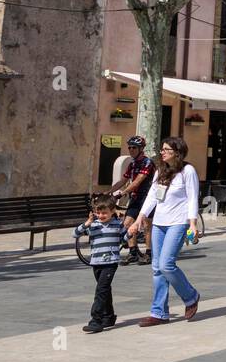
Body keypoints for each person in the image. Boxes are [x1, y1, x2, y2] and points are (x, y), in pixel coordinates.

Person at [126, 137, 202, 326]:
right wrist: (139, 219)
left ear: (177, 152)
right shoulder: (161, 170)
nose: (162, 152)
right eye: (162, 149)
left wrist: (192, 224)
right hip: (159, 223)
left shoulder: (187, 171)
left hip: (178, 222)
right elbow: (152, 196)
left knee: (166, 265)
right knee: (156, 268)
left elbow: (193, 198)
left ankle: (191, 296)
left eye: (166, 149)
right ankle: (159, 313)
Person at [74, 194, 128, 333]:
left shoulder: (117, 224)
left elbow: (125, 238)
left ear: (112, 211)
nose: (101, 215)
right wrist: (87, 223)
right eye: (98, 212)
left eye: (104, 213)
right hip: (96, 262)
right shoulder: (93, 225)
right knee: (105, 289)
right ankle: (109, 316)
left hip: (110, 262)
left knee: (101, 290)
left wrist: (132, 231)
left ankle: (96, 320)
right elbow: (75, 234)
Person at [111, 135, 153, 264]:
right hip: (135, 198)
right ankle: (133, 252)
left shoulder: (147, 163)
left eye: (134, 147)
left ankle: (149, 253)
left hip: (146, 197)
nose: (131, 150)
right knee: (128, 224)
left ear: (141, 148)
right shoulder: (132, 163)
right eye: (129, 147)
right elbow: (123, 180)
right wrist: (108, 192)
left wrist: (122, 193)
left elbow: (137, 182)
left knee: (146, 225)